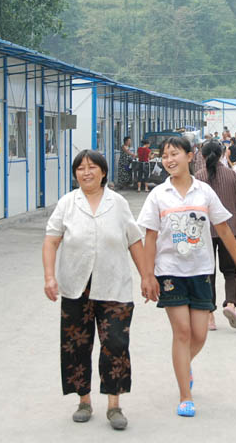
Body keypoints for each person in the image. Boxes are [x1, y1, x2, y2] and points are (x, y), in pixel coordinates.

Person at [42, 150, 160, 431]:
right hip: (75, 287)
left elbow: (134, 241)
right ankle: (84, 400)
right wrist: (49, 276)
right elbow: (51, 241)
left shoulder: (117, 203)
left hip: (114, 285)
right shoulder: (67, 203)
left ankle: (114, 405)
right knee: (76, 345)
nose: (86, 172)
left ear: (103, 172)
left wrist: (146, 276)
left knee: (116, 344)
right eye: (80, 168)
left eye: (92, 167)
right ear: (75, 174)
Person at [137, 137, 236, 418]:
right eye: (164, 155)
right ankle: (185, 395)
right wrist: (147, 275)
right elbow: (149, 238)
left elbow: (225, 231)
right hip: (169, 273)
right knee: (183, 332)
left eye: (174, 154)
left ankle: (183, 364)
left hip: (201, 271)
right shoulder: (158, 195)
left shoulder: (204, 192)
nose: (168, 160)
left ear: (191, 156)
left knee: (200, 335)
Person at [196, 140, 236, 332]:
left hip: (204, 232)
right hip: (231, 231)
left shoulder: (198, 178)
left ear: (202, 156)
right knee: (229, 272)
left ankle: (209, 316)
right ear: (221, 155)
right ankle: (230, 305)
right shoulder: (232, 175)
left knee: (207, 273)